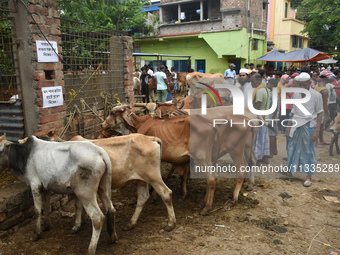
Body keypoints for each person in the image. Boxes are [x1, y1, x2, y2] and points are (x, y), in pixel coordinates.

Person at [286, 73, 323, 187]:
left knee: (308, 150)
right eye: (300, 85)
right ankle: (290, 171)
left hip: (309, 125)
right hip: (296, 123)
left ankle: (308, 176)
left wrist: (317, 130)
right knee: (292, 147)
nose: (302, 87)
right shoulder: (296, 93)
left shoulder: (316, 95)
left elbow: (320, 113)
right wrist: (290, 125)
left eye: (304, 85)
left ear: (309, 83)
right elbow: (293, 110)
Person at [251, 73, 271, 165]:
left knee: (258, 139)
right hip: (266, 116)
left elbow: (257, 106)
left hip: (260, 118)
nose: (251, 83)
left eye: (253, 81)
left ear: (259, 81)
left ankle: (258, 159)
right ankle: (265, 157)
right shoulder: (266, 89)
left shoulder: (259, 91)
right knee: (264, 138)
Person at [314, 73, 331, 146]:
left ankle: (321, 140)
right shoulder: (324, 90)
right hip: (321, 109)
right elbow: (325, 104)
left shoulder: (317, 86)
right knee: (319, 126)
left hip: (316, 108)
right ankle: (317, 142)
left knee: (320, 126)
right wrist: (327, 115)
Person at [267, 78, 279, 158]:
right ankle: (274, 149)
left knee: (271, 134)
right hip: (273, 115)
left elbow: (276, 106)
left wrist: (273, 118)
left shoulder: (274, 93)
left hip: (272, 115)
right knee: (273, 133)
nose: (267, 85)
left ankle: (270, 152)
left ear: (272, 85)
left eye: (268, 84)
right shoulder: (272, 92)